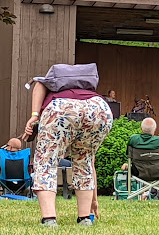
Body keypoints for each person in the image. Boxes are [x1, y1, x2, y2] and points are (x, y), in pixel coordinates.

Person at [23, 81, 113, 227]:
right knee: (85, 160)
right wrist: (94, 199)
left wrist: (34, 115)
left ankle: (49, 219)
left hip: (61, 108)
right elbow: (92, 164)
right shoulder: (85, 84)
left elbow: (39, 84)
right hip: (99, 109)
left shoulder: (51, 78)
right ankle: (85, 218)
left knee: (46, 161)